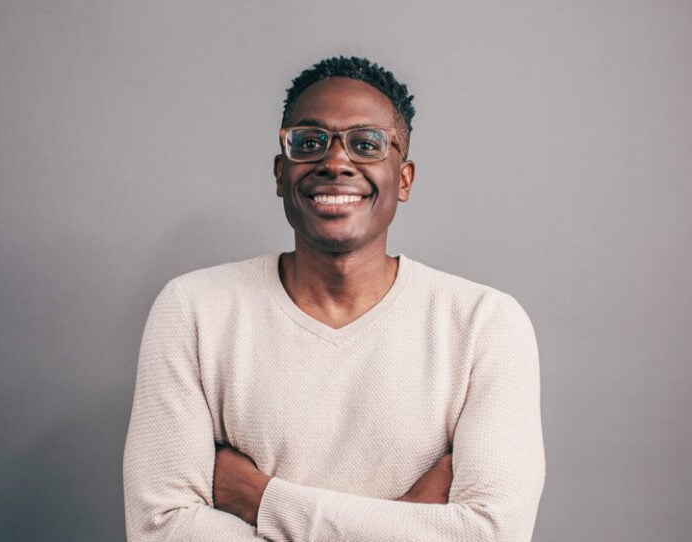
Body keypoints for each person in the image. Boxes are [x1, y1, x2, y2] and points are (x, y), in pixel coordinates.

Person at [123, 56, 545, 541]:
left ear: (403, 179)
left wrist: (259, 499)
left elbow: (492, 533)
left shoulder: (484, 323)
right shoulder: (193, 310)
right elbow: (160, 530)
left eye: (366, 144)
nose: (336, 161)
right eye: (310, 142)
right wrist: (407, 522)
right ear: (281, 173)